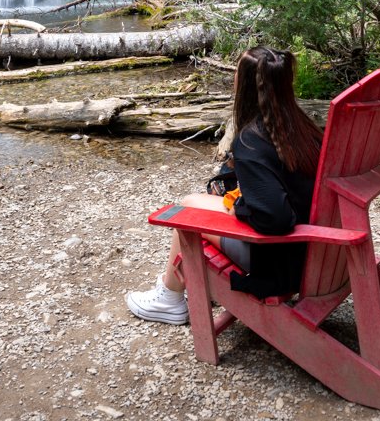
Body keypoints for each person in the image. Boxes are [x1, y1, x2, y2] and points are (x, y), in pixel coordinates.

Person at [126, 46, 323, 324]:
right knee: (194, 199)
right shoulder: (301, 126)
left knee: (186, 212)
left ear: (244, 85)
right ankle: (179, 287)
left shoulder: (252, 140)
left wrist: (239, 206)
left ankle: (169, 298)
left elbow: (275, 219)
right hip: (317, 248)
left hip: (280, 258)